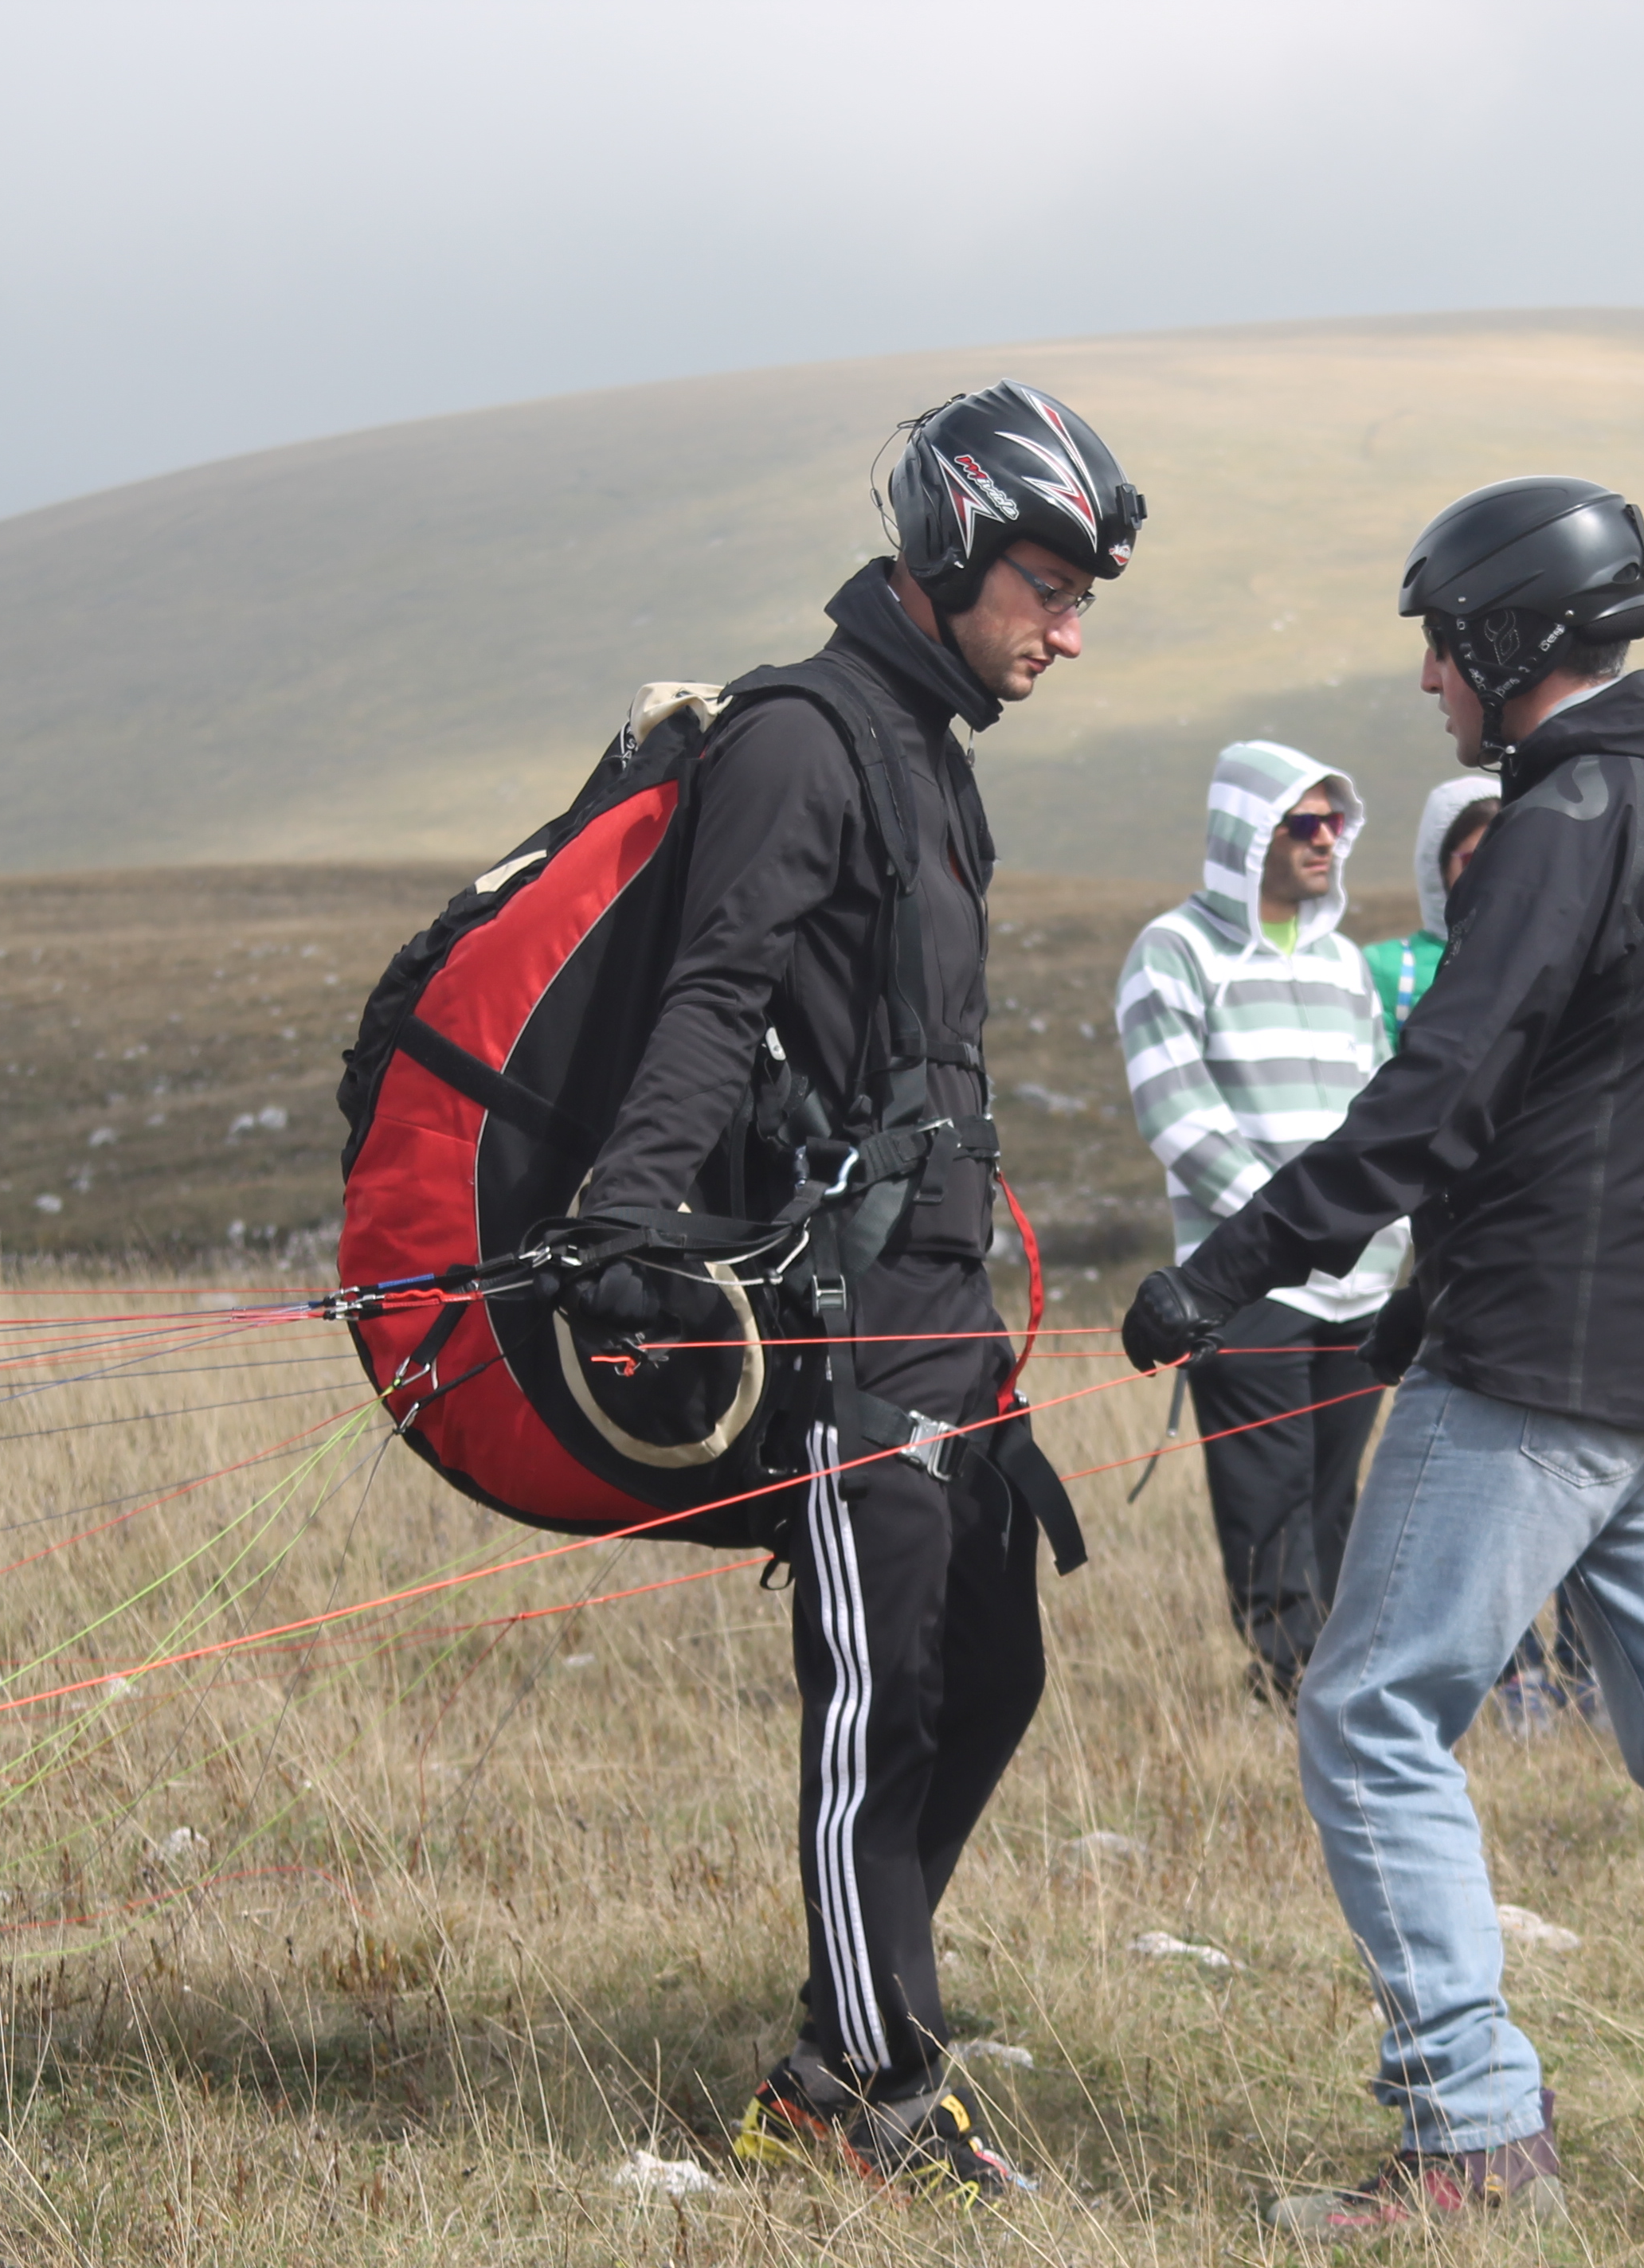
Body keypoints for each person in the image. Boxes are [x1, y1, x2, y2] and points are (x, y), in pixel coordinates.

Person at [1123, 476, 1644, 2233]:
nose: (1436, 688)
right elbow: (1598, 1110)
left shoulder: (1564, 818)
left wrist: (1225, 1269)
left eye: (1445, 648)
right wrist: (1402, 1300)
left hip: (1538, 1364)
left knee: (1368, 1712)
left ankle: (1471, 2133)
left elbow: (1439, 1095)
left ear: (1512, 636)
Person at [574, 381, 1145, 2200]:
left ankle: (866, 2000)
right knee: (874, 1697)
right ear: (955, 546)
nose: (1066, 629)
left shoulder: (926, 744)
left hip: (940, 1311)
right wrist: (628, 1215)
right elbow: (712, 990)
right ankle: (858, 2079)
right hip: (833, 1324)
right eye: (1047, 586)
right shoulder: (806, 738)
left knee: (989, 1666)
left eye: (1080, 597)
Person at [1114, 744, 1405, 1699]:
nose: (1327, 842)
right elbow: (1178, 1118)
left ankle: (1334, 1677)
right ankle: (1291, 1676)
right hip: (1247, 1282)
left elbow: (1380, 1111)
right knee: (1267, 1493)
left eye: (1335, 823)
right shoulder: (1175, 950)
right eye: (1303, 824)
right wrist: (1286, 1234)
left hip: (1360, 1285)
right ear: (1248, 836)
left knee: (1333, 1492)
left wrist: (1384, 1233)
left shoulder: (1346, 967)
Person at [1364, 780, 1593, 1728]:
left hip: (1552, 1253)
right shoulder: (1392, 970)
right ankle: (1507, 1669)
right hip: (1440, 1257)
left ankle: (1585, 1663)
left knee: (1569, 1463)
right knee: (1473, 1475)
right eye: (1466, 850)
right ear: (1436, 863)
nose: (1484, 866)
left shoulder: (1566, 955)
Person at [1361, 776, 1500, 1042]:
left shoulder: (1550, 958)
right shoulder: (1387, 967)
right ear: (1437, 865)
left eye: (1507, 854)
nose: (1493, 872)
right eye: (1474, 860)